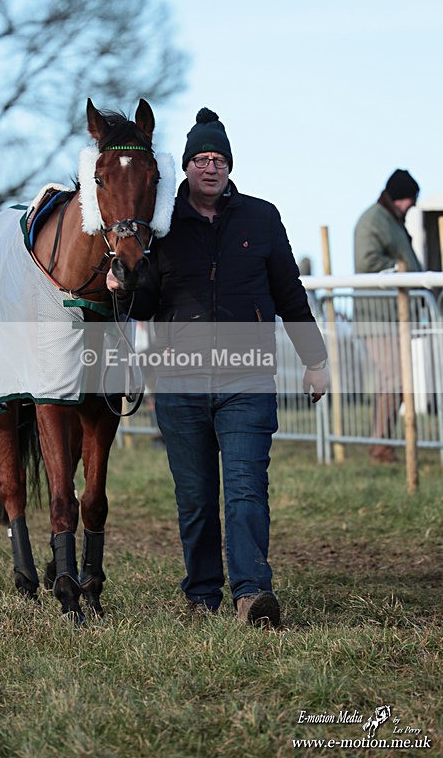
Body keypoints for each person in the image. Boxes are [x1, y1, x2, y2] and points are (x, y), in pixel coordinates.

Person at [107, 108, 329, 627]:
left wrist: (315, 360)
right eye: (201, 159)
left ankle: (252, 594)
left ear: (230, 166)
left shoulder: (261, 217)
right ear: (185, 167)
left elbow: (289, 293)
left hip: (247, 379)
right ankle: (202, 596)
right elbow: (145, 307)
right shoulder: (161, 227)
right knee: (196, 499)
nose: (211, 167)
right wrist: (124, 289)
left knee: (247, 489)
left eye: (219, 159)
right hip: (179, 382)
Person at [354, 169, 421, 464]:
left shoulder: (389, 220)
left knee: (393, 381)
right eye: (409, 199)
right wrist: (400, 269)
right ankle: (381, 446)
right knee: (395, 380)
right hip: (378, 317)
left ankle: (382, 444)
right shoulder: (374, 221)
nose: (411, 206)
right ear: (399, 197)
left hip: (392, 316)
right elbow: (366, 262)